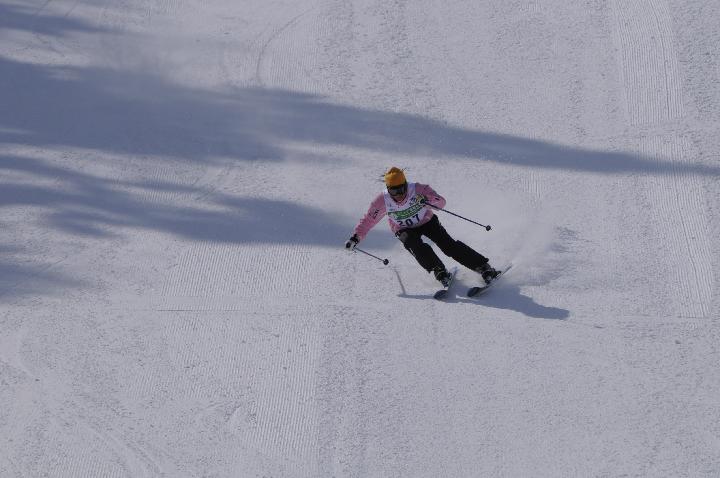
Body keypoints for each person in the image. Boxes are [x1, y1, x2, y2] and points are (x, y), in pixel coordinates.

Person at [345, 166, 499, 287]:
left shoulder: (419, 189)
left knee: (448, 246)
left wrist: (427, 200)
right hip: (403, 229)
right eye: (394, 191)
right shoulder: (381, 201)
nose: (399, 194)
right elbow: (368, 220)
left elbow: (441, 203)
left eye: (401, 189)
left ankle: (483, 267)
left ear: (406, 185)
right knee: (414, 245)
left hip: (427, 221)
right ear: (388, 189)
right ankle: (438, 270)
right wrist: (356, 237)